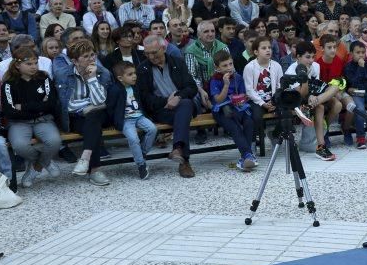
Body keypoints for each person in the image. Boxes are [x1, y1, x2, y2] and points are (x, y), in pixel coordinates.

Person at [0, 46, 63, 187]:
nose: (34, 67)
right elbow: (9, 111)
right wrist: (40, 106)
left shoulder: (44, 78)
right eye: (29, 64)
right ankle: (44, 161)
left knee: (54, 141)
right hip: (19, 122)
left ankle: (36, 167)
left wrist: (23, 106)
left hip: (43, 120)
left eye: (35, 63)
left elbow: (52, 103)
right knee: (19, 145)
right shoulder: (9, 84)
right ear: (17, 65)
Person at [138, 35, 198, 178]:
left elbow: (192, 87)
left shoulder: (177, 62)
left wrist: (178, 97)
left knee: (186, 103)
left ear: (164, 48)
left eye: (154, 52)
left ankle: (178, 149)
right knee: (183, 117)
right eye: (148, 53)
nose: (151, 57)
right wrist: (166, 101)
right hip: (161, 110)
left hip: (184, 106)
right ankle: (183, 160)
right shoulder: (143, 69)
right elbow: (145, 99)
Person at [56, 38, 113, 186]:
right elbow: (67, 105)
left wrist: (92, 78)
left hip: (100, 115)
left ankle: (85, 159)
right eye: (86, 57)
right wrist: (88, 104)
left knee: (93, 116)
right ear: (75, 61)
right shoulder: (63, 75)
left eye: (92, 55)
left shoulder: (102, 73)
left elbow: (100, 102)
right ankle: (95, 170)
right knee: (92, 125)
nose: (91, 59)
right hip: (74, 118)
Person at [285, 41, 338, 161]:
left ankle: (320, 147)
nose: (311, 60)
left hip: (312, 98)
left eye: (313, 57)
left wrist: (314, 97)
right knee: (320, 107)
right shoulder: (291, 70)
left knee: (335, 87)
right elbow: (300, 93)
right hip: (295, 98)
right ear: (298, 57)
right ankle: (321, 146)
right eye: (307, 57)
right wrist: (305, 79)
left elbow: (316, 86)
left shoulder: (315, 66)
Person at [108, 61, 158, 180]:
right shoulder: (115, 90)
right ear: (120, 78)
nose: (134, 76)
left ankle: (142, 153)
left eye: (134, 73)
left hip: (139, 116)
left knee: (152, 129)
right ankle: (141, 165)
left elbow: (141, 103)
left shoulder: (135, 87)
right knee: (133, 138)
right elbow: (110, 107)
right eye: (130, 74)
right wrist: (111, 122)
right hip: (125, 120)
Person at [210, 50, 256, 172]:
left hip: (238, 107)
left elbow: (242, 94)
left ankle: (246, 156)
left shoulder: (238, 77)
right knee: (235, 128)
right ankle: (247, 155)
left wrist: (242, 99)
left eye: (230, 64)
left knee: (249, 122)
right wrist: (226, 85)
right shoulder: (215, 80)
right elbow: (218, 100)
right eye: (225, 65)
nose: (229, 68)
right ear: (217, 67)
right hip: (221, 110)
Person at [243, 35, 282, 147]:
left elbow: (280, 86)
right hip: (256, 101)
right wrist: (263, 103)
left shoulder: (276, 66)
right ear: (256, 52)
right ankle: (253, 143)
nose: (268, 50)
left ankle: (275, 134)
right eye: (264, 48)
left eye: (269, 47)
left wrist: (274, 101)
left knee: (286, 113)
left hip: (273, 100)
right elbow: (249, 90)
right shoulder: (250, 67)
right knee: (255, 117)